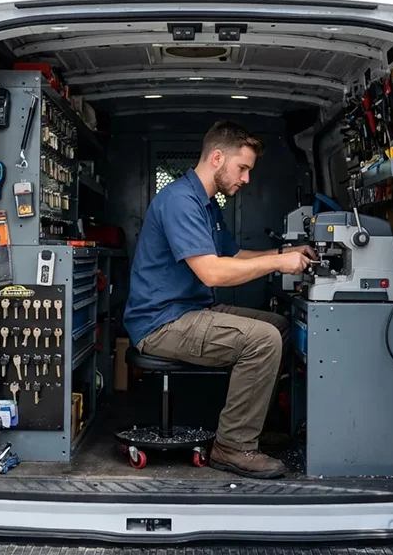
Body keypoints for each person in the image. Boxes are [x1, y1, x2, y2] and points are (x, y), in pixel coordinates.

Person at [123, 120, 315, 479]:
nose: (246, 179)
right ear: (216, 158)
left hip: (189, 311)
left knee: (279, 326)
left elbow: (235, 254)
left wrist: (288, 251)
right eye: (242, 168)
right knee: (262, 340)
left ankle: (251, 427)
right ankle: (232, 447)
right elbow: (213, 272)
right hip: (161, 323)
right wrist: (279, 263)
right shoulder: (181, 201)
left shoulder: (207, 204)